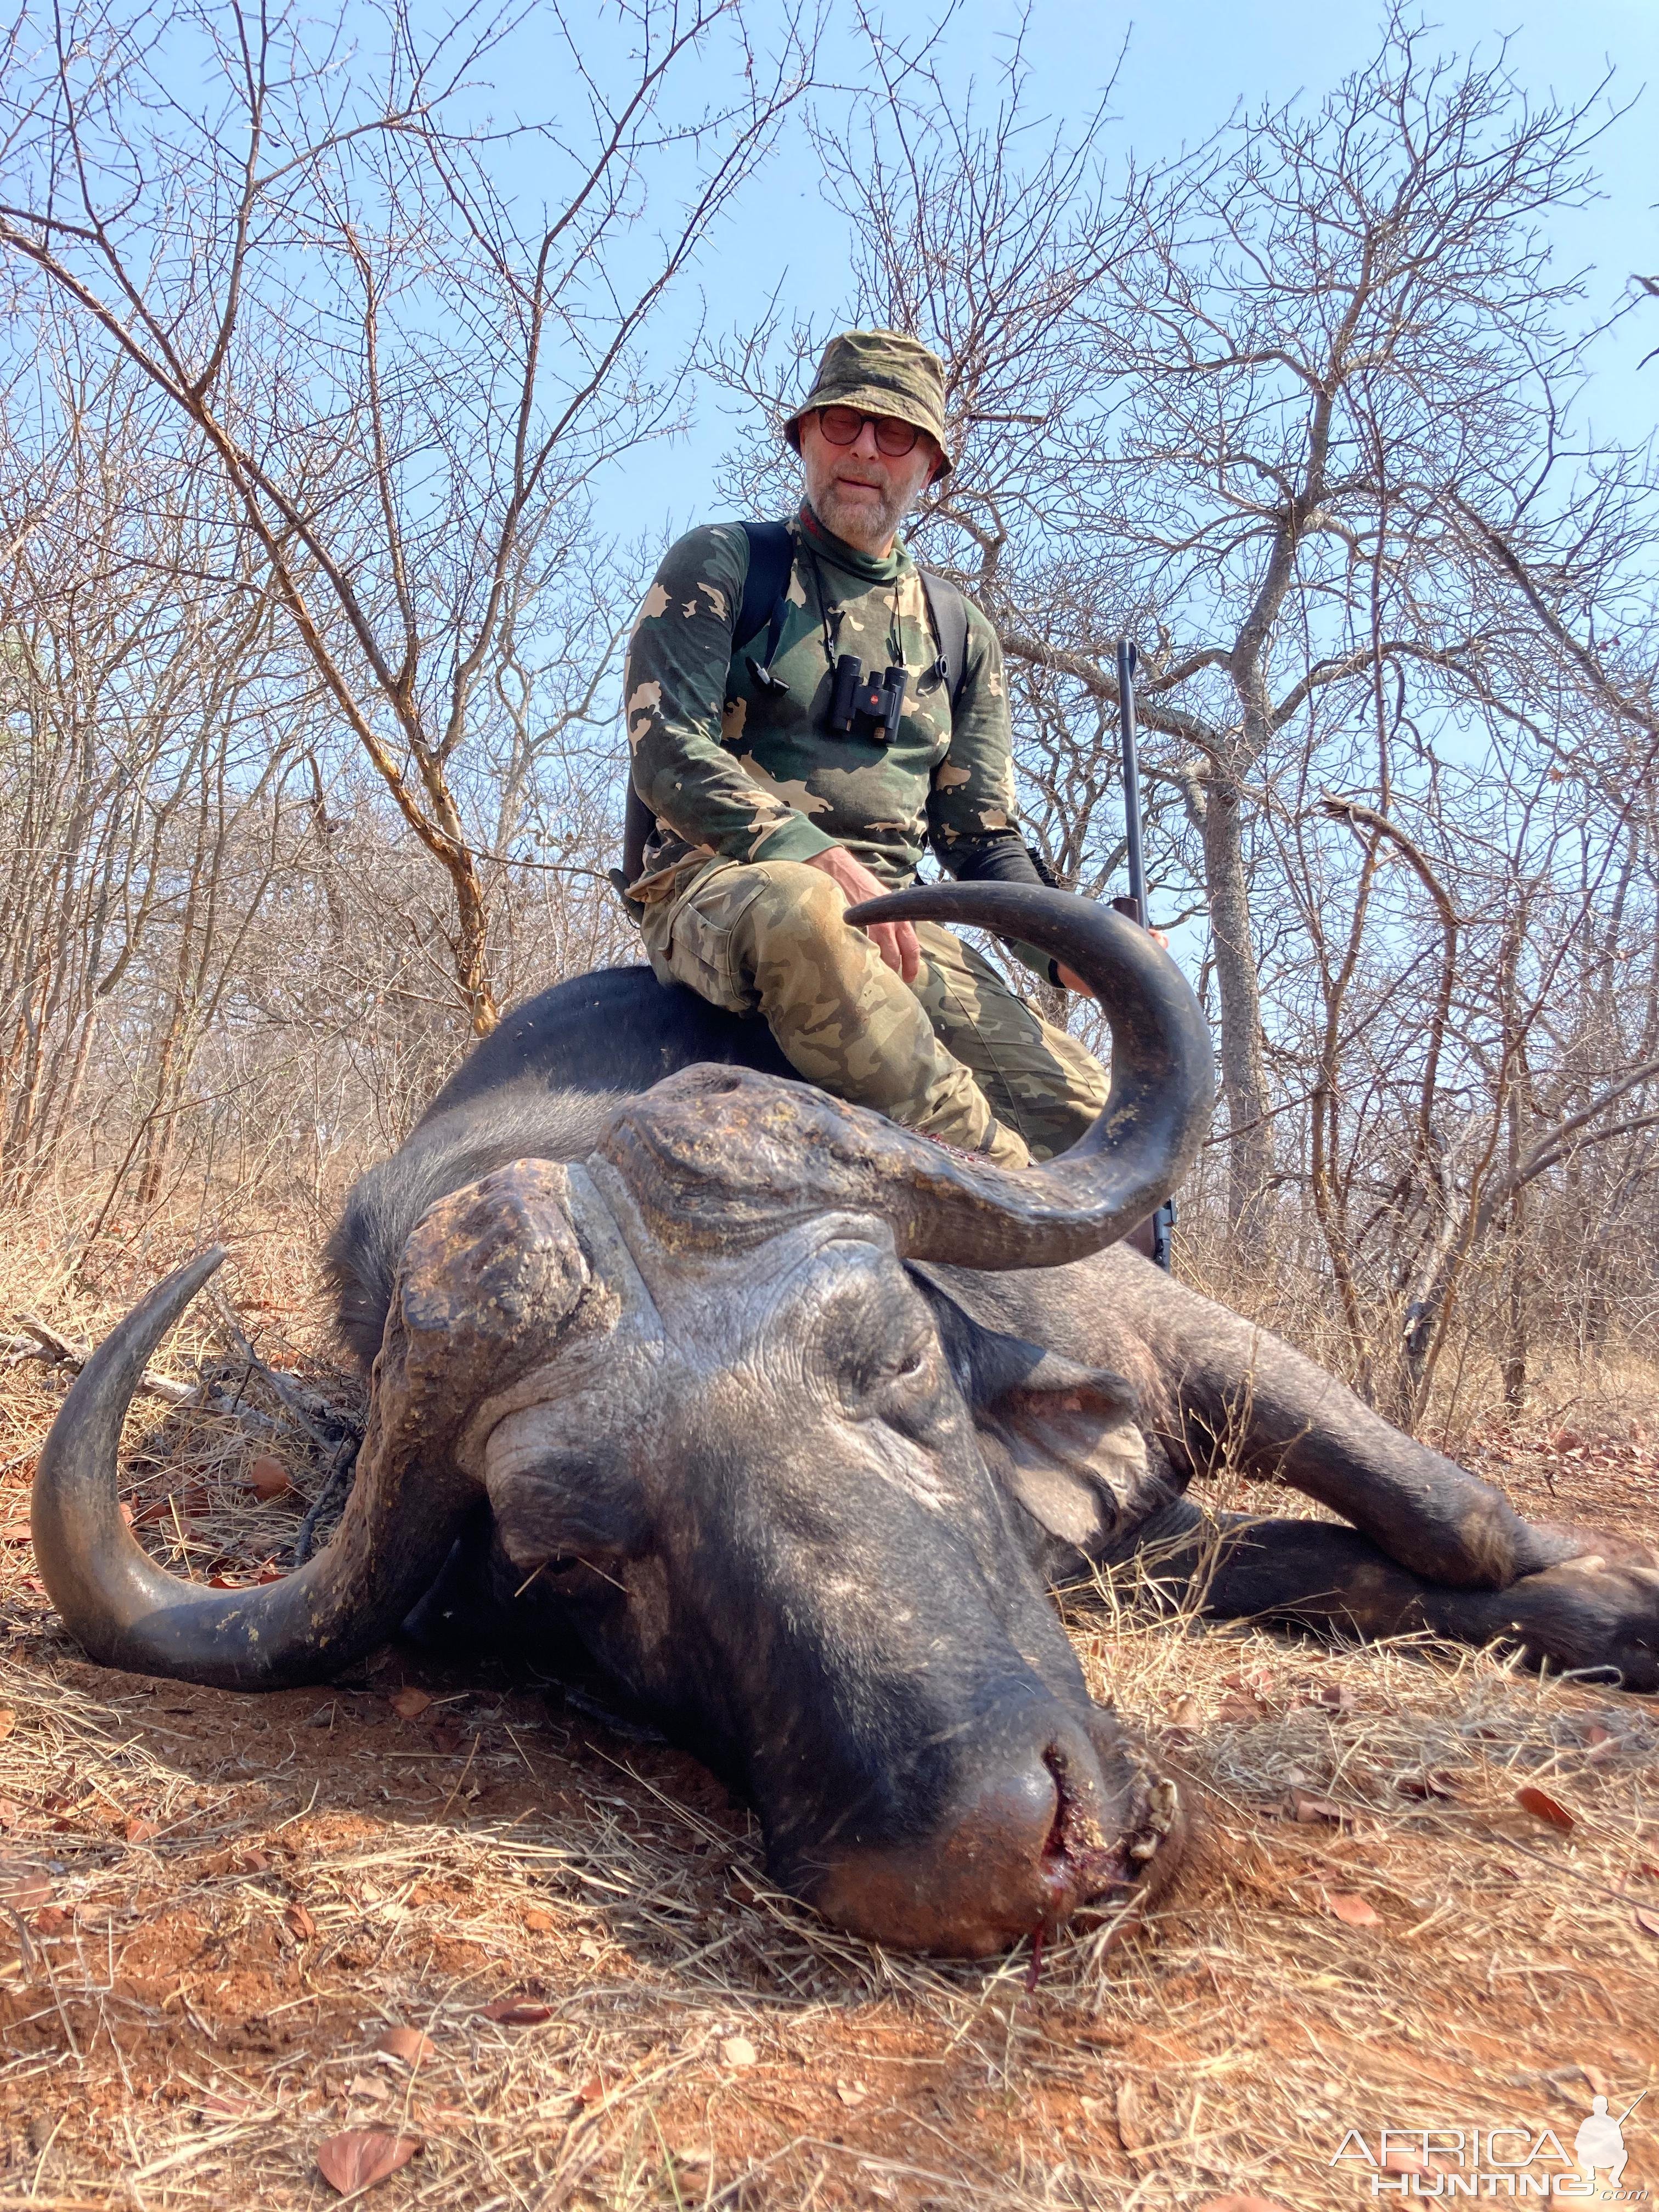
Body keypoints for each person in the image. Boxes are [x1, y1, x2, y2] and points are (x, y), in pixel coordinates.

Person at [620, 326, 1108, 1170]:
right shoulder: (726, 564)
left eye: (896, 436)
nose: (865, 452)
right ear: (805, 437)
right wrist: (811, 853)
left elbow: (981, 841)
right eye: (843, 425)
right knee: (808, 909)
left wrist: (1080, 947)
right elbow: (664, 746)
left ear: (931, 467)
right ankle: (1001, 1180)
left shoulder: (961, 634)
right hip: (723, 885)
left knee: (1102, 1117)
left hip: (898, 922)